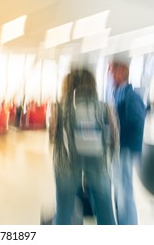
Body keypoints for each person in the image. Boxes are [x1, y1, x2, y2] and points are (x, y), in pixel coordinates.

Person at [51, 69, 119, 225]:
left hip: (66, 164)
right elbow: (115, 137)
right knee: (106, 215)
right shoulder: (105, 107)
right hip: (99, 164)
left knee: (63, 215)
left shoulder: (60, 108)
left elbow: (53, 137)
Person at [108, 52, 145, 225]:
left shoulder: (131, 96)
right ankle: (124, 224)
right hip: (118, 149)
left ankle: (128, 227)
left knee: (124, 191)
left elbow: (136, 124)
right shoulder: (117, 94)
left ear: (122, 71)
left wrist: (115, 131)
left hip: (125, 149)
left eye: (112, 68)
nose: (109, 73)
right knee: (119, 191)